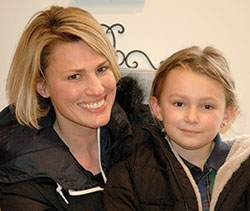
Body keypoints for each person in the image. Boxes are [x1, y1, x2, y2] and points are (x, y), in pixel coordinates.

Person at [0, 6, 150, 210]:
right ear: (43, 86)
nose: (97, 89)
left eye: (101, 69)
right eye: (74, 76)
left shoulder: (148, 135)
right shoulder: (21, 177)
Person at [103, 46, 250, 211]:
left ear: (227, 115)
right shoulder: (130, 171)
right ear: (157, 109)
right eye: (179, 104)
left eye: (207, 106)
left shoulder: (244, 170)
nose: (192, 118)